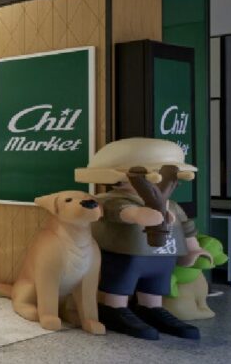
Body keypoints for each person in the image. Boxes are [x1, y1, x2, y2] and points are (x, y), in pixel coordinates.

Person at [75, 138, 212, 340]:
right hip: (125, 254)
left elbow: (187, 228)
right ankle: (114, 308)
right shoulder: (111, 200)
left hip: (163, 255)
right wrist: (139, 214)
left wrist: (193, 248)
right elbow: (121, 212)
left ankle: (151, 308)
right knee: (121, 281)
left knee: (155, 285)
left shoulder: (172, 205)